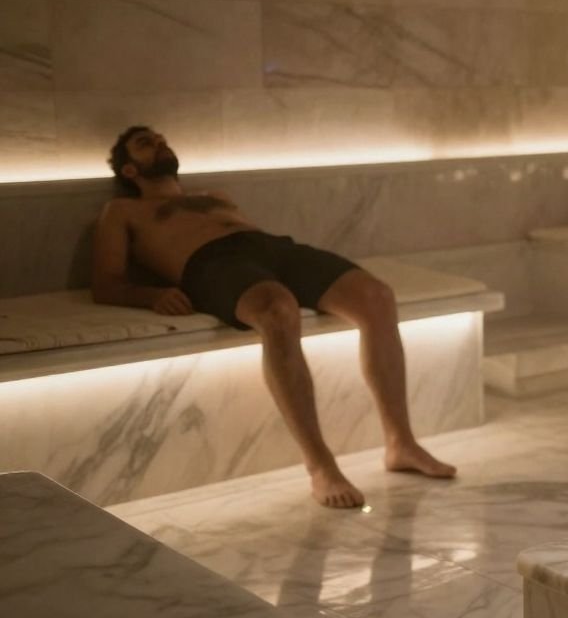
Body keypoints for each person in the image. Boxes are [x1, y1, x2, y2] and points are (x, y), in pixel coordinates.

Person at [91, 126, 456, 509]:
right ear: (129, 170)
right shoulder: (122, 211)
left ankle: (402, 443)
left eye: (162, 139)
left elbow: (253, 245)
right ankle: (320, 465)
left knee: (377, 297)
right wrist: (153, 296)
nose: (160, 144)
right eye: (145, 144)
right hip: (209, 264)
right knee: (277, 311)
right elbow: (106, 283)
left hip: (271, 248)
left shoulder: (212, 197)